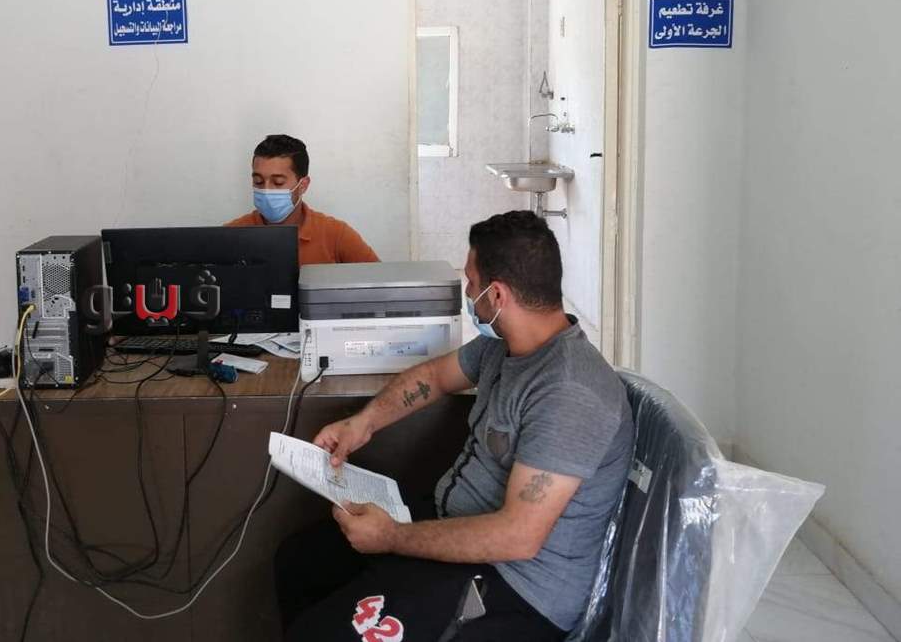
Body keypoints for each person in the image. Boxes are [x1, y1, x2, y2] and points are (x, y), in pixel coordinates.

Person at [275, 211, 634, 641]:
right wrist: (362, 424)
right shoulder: (505, 346)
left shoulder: (570, 393)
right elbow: (434, 377)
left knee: (319, 634)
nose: (467, 292)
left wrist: (391, 537)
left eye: (470, 281)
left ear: (497, 294)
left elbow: (518, 537)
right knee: (298, 561)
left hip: (515, 586)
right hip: (458, 521)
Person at [226, 133, 379, 266]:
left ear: (303, 185)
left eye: (278, 182)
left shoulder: (336, 235)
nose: (266, 190)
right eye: (258, 181)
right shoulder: (230, 236)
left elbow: (379, 282)